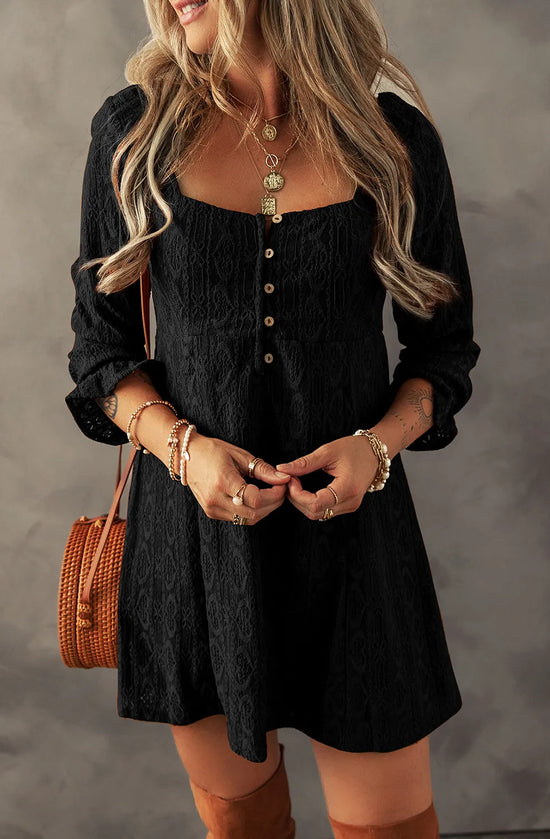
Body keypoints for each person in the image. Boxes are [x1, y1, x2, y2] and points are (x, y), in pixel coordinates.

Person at [64, 0, 481, 836]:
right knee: (242, 826)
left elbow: (444, 353)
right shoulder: (134, 135)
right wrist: (185, 453)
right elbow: (101, 359)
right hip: (193, 550)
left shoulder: (393, 141)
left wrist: (375, 446)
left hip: (357, 551)